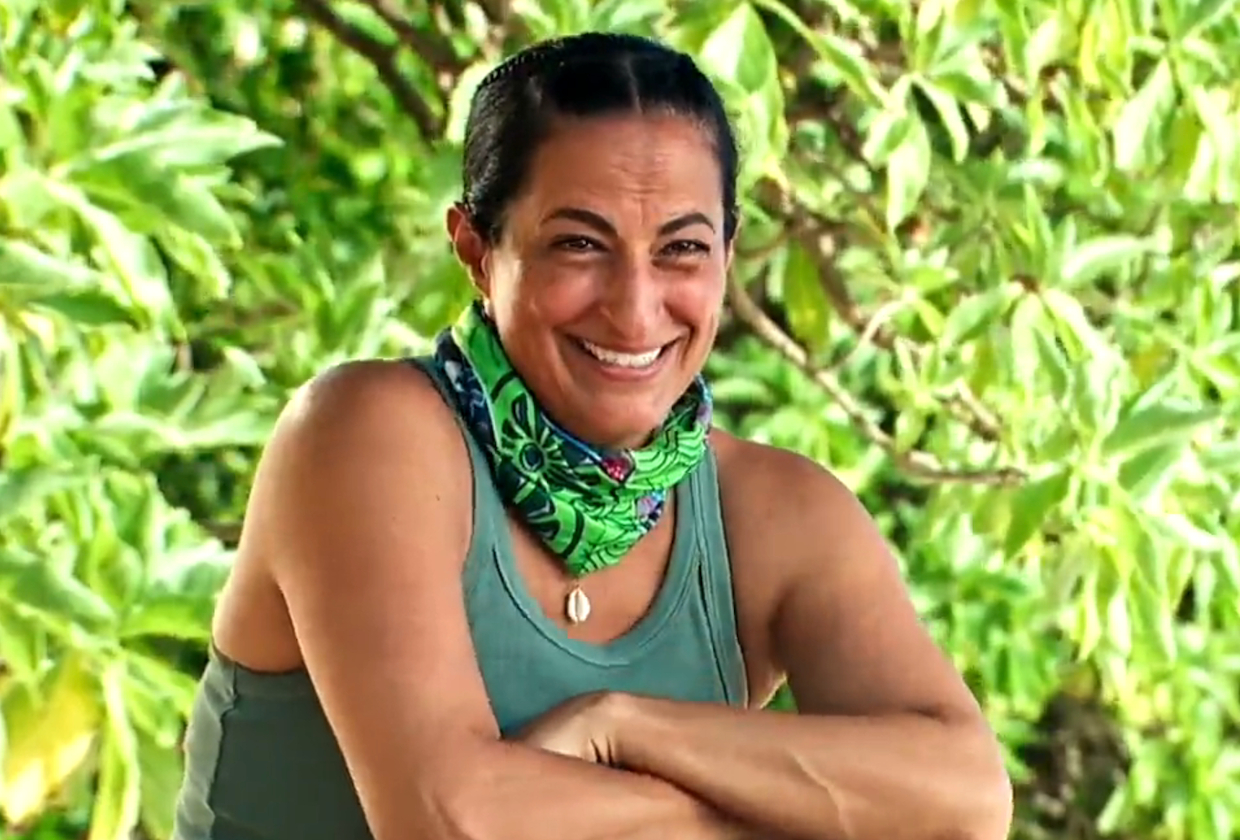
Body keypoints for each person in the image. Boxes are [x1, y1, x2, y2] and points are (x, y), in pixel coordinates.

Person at [172, 32, 1012, 840]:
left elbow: (966, 804)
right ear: (475, 250)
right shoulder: (368, 435)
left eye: (681, 249)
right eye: (579, 244)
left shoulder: (772, 514)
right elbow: (456, 825)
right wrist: (793, 814)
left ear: (728, 252)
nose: (635, 310)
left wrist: (624, 729)